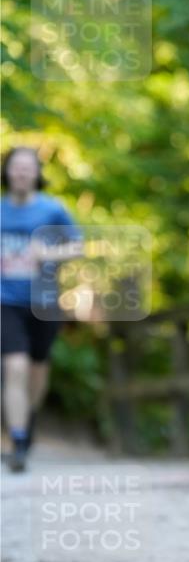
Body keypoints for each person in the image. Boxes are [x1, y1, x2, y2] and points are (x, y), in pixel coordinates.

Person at [1, 146, 84, 472]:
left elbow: (77, 247)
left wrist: (48, 255)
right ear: (7, 172)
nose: (21, 173)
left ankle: (28, 420)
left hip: (44, 302)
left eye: (27, 168)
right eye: (15, 167)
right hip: (5, 301)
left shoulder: (53, 210)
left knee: (37, 370)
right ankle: (19, 441)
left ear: (37, 174)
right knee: (15, 367)